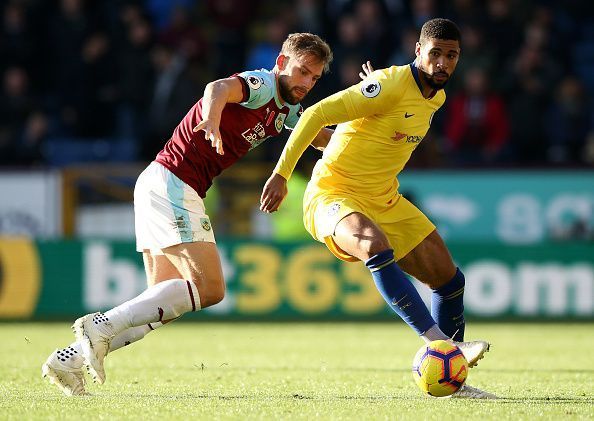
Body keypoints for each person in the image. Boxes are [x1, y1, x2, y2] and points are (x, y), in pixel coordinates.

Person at [41, 32, 334, 396]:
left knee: (160, 302)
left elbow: (319, 136)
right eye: (302, 71)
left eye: (314, 77)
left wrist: (367, 129)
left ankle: (66, 360)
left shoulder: (289, 109)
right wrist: (211, 119)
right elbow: (218, 88)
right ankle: (97, 327)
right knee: (210, 289)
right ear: (280, 63)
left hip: (160, 182)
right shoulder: (262, 84)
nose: (306, 82)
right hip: (175, 182)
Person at [260, 19, 496, 399]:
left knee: (450, 281)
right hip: (332, 192)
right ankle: (441, 345)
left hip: (384, 196)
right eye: (434, 53)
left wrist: (371, 94)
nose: (442, 63)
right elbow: (315, 113)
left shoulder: (436, 97)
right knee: (373, 243)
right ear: (417, 51)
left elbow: (378, 127)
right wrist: (281, 174)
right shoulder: (389, 85)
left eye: (451, 56)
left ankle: (454, 386)